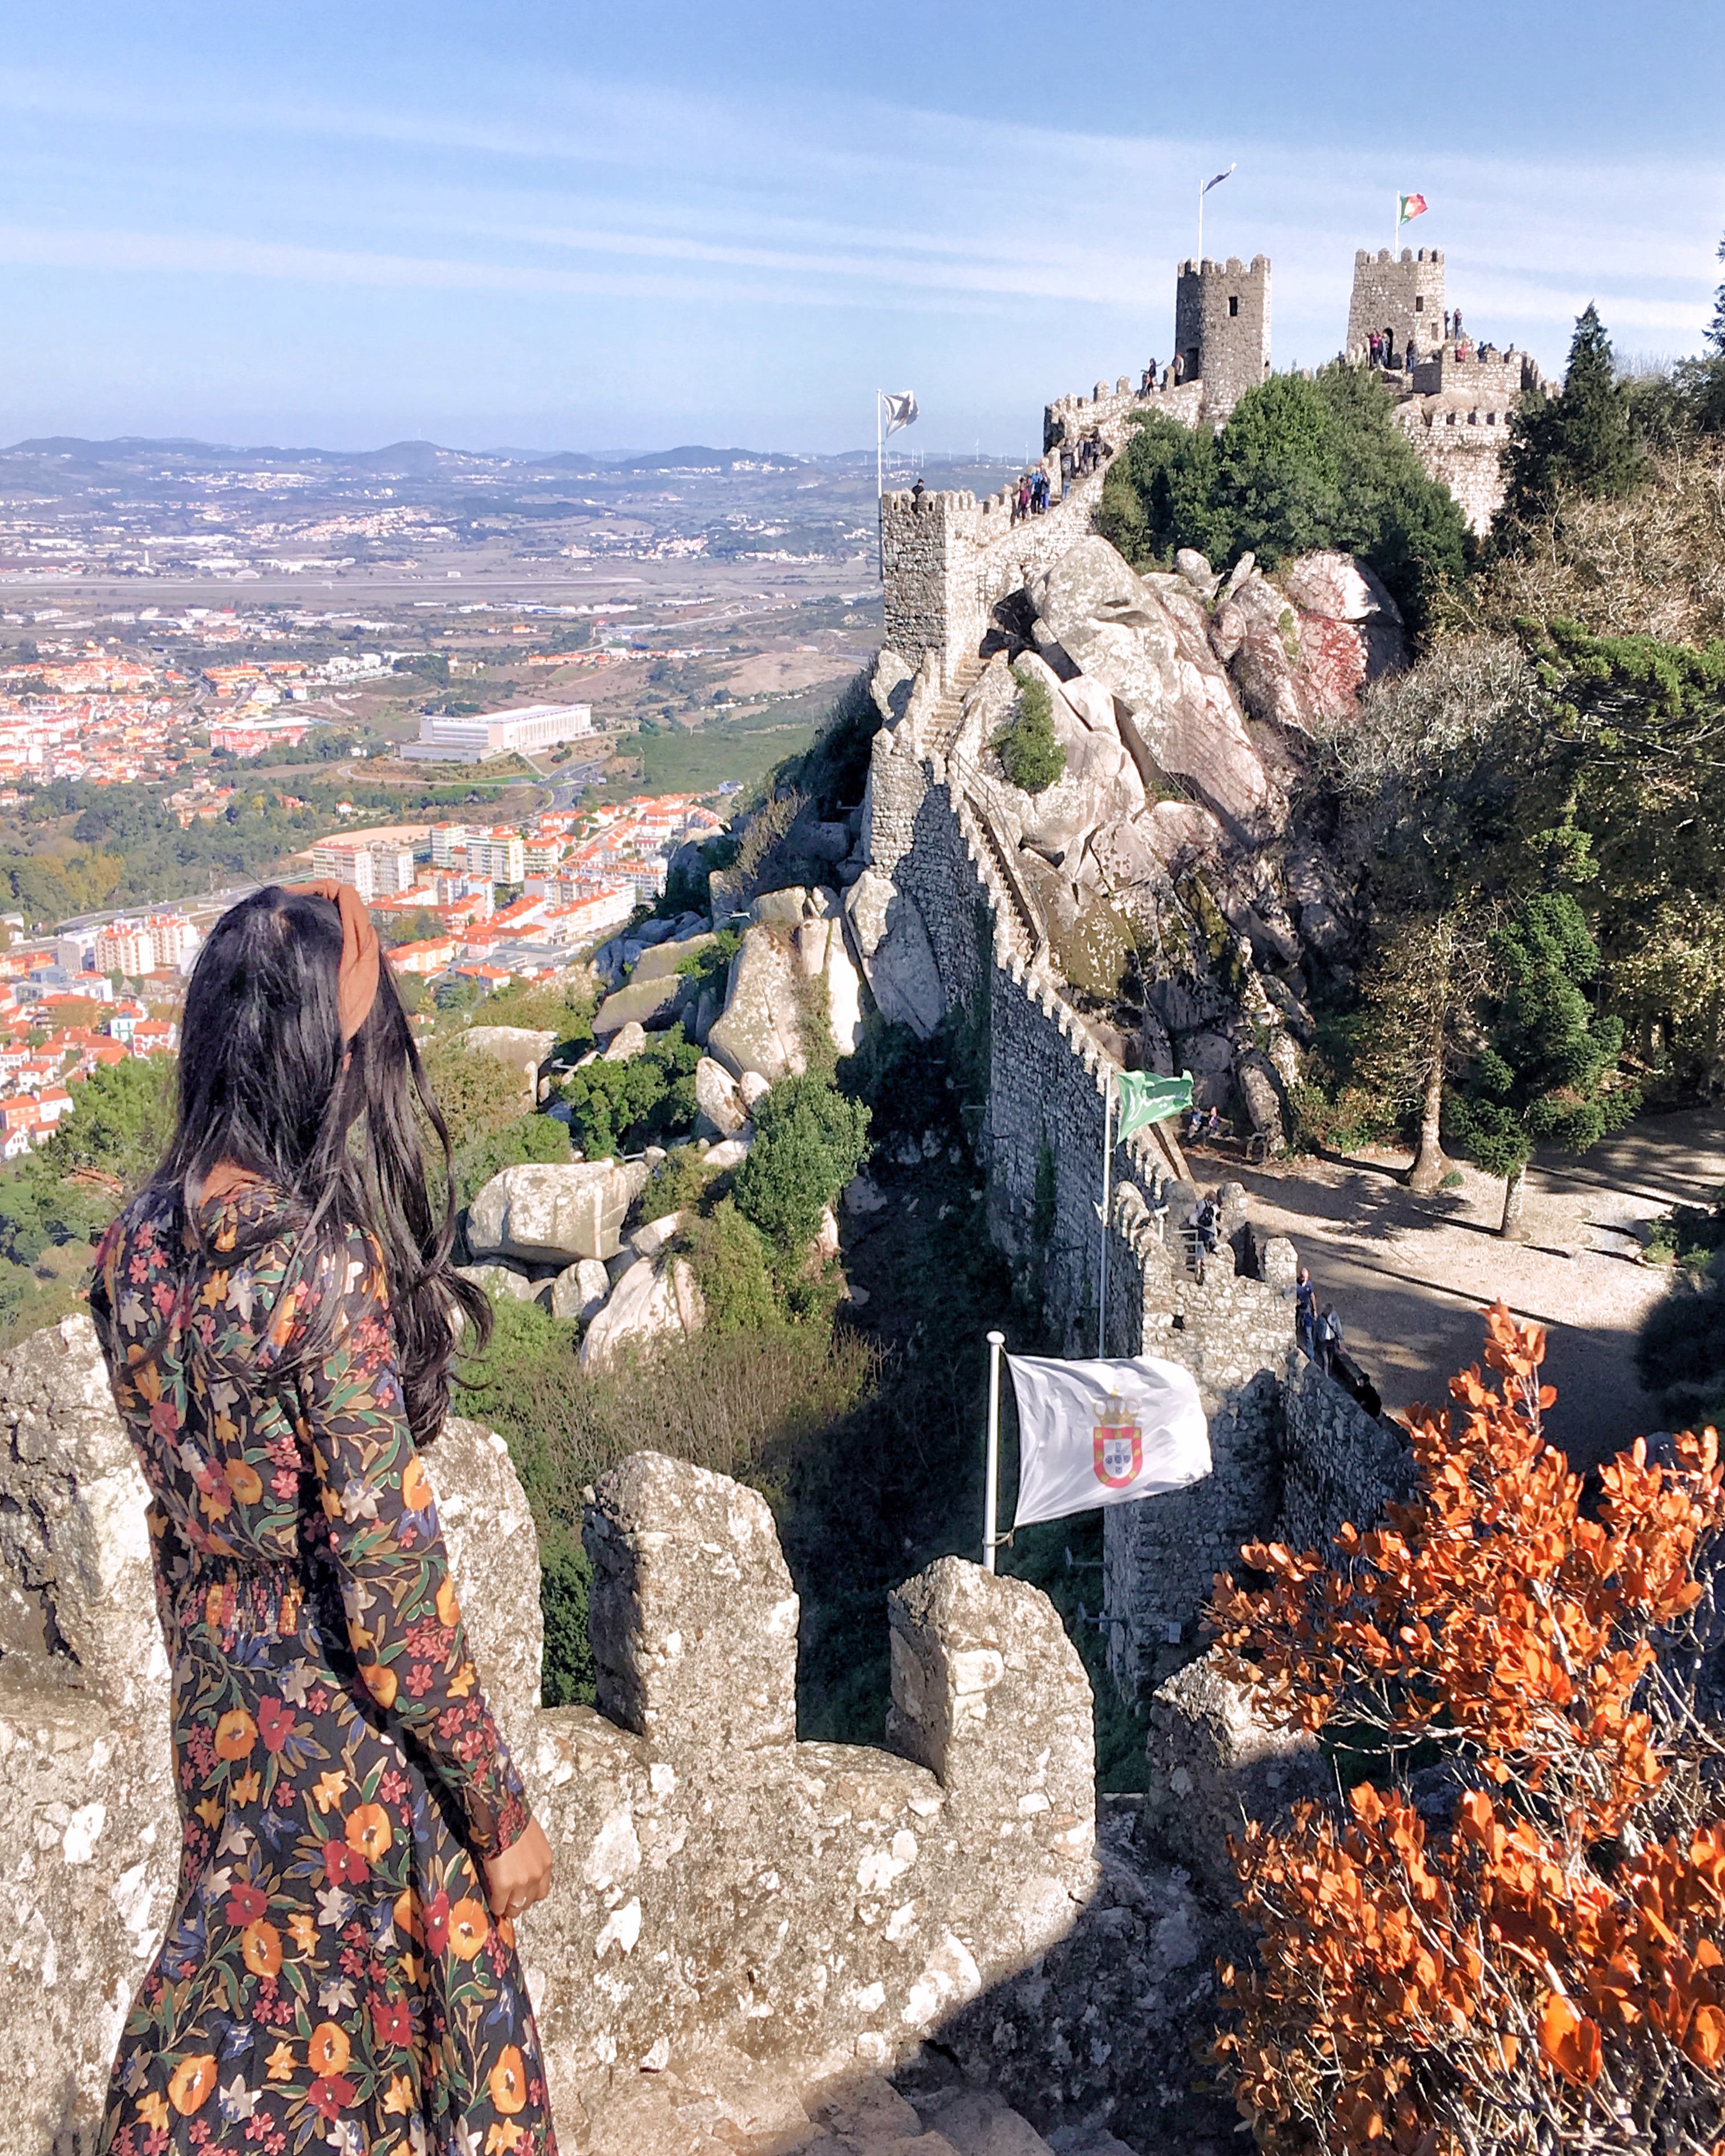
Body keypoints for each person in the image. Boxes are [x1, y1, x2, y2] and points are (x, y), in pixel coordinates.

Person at [88, 884, 557, 2153]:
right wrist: (499, 1812)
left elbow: (174, 1524)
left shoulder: (131, 1254)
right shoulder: (315, 1273)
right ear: (317, 1062)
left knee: (253, 2050)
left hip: (222, 1726)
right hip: (352, 1749)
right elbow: (398, 1605)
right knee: (405, 2079)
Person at [1295, 1266, 1317, 1359]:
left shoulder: (1309, 1285)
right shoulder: (1296, 1285)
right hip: (1298, 1311)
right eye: (1304, 1278)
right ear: (1301, 1277)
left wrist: (1315, 1311)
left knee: (1309, 1332)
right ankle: (1297, 1349)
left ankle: (1311, 1355)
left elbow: (1312, 1296)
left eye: (1307, 1278)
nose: (1305, 1280)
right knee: (1298, 1329)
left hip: (1307, 1310)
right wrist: (1297, 1302)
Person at [1315, 1304, 1342, 1376]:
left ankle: (1328, 1373)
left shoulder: (1334, 1316)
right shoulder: (1321, 1318)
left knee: (1330, 1360)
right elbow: (1316, 1330)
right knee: (1326, 1360)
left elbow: (1338, 1327)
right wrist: (1315, 1342)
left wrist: (1341, 1339)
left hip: (1332, 1341)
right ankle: (1326, 1376)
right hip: (1323, 1341)